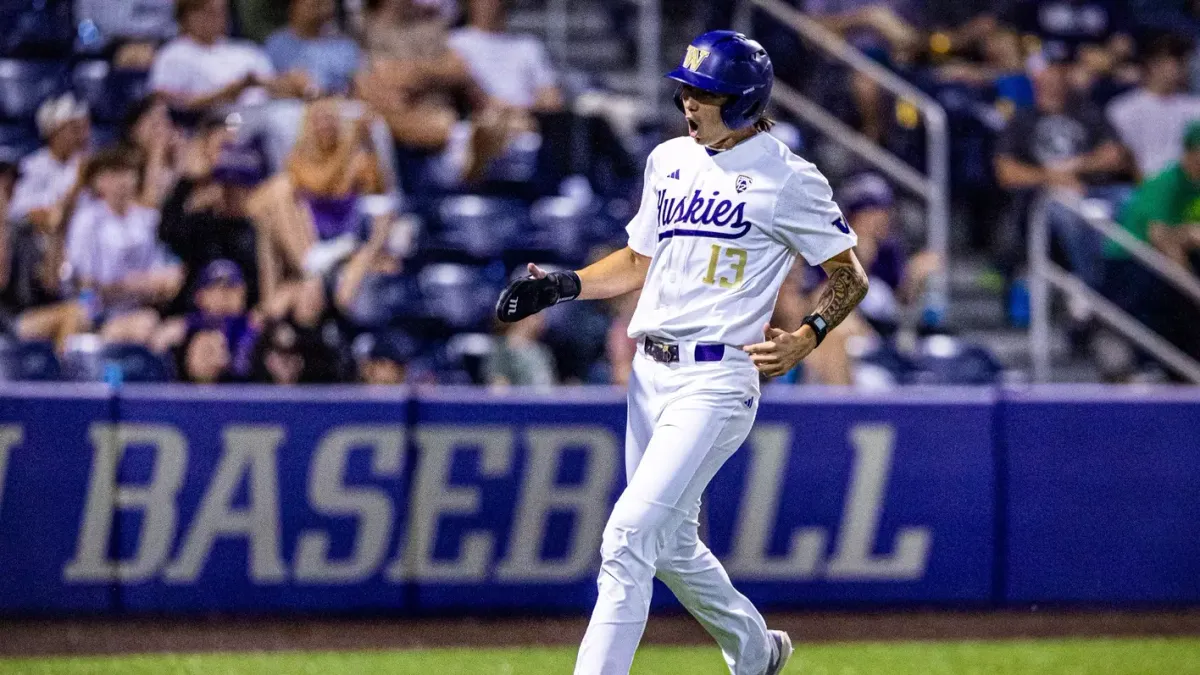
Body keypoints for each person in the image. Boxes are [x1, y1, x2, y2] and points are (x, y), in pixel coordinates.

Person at [495, 31, 867, 675]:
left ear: (744, 100)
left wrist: (808, 335)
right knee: (666, 545)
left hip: (718, 377)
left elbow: (850, 276)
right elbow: (640, 260)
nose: (689, 103)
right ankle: (755, 650)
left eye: (705, 93)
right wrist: (565, 284)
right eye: (686, 91)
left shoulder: (790, 178)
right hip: (649, 372)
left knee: (628, 536)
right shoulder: (669, 159)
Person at [994, 61, 1130, 289]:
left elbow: (1114, 155)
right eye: (1047, 74)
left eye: (1057, 74)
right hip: (1043, 198)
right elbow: (1006, 172)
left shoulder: (1086, 112)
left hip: (1092, 189)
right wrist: (1052, 178)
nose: (1052, 81)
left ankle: (1124, 287)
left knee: (1129, 200)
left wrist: (1075, 166)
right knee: (1067, 212)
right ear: (1036, 80)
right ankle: (1092, 287)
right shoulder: (1022, 120)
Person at [1102, 121, 1200, 359]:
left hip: (1173, 259)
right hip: (1131, 262)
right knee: (1170, 300)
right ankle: (1151, 364)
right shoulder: (1166, 183)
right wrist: (1192, 287)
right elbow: (1160, 238)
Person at [64, 149, 184, 344]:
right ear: (98, 181)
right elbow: (85, 281)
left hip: (143, 308)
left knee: (164, 327)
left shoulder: (148, 219)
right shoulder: (86, 220)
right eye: (113, 174)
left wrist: (146, 283)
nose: (122, 181)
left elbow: (169, 275)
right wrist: (130, 284)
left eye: (128, 172)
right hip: (97, 312)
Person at [149, 0, 313, 114]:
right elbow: (170, 105)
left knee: (294, 111)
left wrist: (294, 84)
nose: (217, 17)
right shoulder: (172, 54)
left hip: (262, 112)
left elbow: (273, 87)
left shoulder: (245, 50)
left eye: (221, 11)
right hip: (212, 121)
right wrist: (228, 92)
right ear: (186, 16)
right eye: (209, 11)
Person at [1107, 33, 1200, 180]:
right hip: (1140, 187)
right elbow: (1124, 158)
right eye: (1173, 61)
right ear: (1152, 64)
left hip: (1187, 186)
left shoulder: (1195, 108)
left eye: (1182, 61)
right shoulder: (1122, 109)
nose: (1180, 67)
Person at [448, 0, 564, 112]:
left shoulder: (528, 46)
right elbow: (468, 92)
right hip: (477, 123)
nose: (490, 3)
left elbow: (551, 98)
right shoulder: (454, 42)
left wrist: (521, 114)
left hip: (526, 123)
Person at [7, 94, 91, 231]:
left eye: (85, 128)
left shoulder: (89, 164)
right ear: (53, 132)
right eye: (75, 129)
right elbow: (19, 209)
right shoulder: (31, 166)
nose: (83, 136)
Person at [265, 0, 363, 97]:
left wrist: (313, 90)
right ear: (294, 5)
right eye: (313, 4)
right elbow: (265, 84)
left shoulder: (345, 48)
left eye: (324, 3)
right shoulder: (276, 43)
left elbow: (356, 88)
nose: (319, 9)